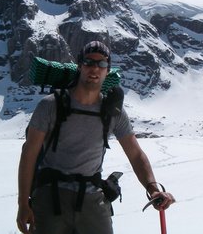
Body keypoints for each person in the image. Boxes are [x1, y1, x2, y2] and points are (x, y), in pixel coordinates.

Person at [17, 41, 175, 234]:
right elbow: (29, 153)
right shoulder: (50, 105)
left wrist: (153, 188)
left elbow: (135, 154)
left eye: (101, 64)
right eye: (89, 62)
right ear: (79, 65)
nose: (94, 68)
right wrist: (23, 203)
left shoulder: (113, 112)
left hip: (91, 199)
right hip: (51, 197)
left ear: (107, 70)